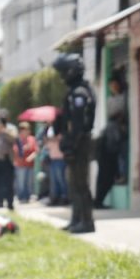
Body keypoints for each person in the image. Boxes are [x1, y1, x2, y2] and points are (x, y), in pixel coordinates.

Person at [53, 53, 97, 233]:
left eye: (64, 72)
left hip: (80, 142)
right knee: (73, 184)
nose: (62, 76)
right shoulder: (74, 92)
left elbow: (79, 124)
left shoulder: (80, 93)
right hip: (74, 141)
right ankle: (76, 219)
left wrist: (71, 143)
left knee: (80, 183)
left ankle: (86, 222)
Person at [94, 76, 127, 209]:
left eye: (114, 85)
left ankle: (99, 200)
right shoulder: (110, 101)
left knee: (107, 174)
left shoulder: (124, 98)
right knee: (106, 176)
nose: (113, 88)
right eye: (111, 85)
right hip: (109, 149)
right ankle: (99, 200)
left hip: (112, 147)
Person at [13, 121, 38, 204]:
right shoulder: (17, 139)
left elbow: (36, 150)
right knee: (21, 182)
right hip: (20, 164)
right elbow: (14, 150)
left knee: (29, 182)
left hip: (30, 164)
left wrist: (31, 157)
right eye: (24, 130)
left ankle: (27, 197)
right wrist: (23, 148)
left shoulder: (32, 139)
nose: (27, 131)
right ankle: (21, 197)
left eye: (27, 129)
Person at [45, 125, 68, 206]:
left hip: (60, 159)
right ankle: (55, 197)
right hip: (53, 159)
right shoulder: (50, 137)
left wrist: (51, 139)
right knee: (54, 181)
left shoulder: (61, 136)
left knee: (61, 179)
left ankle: (64, 197)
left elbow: (59, 141)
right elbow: (47, 146)